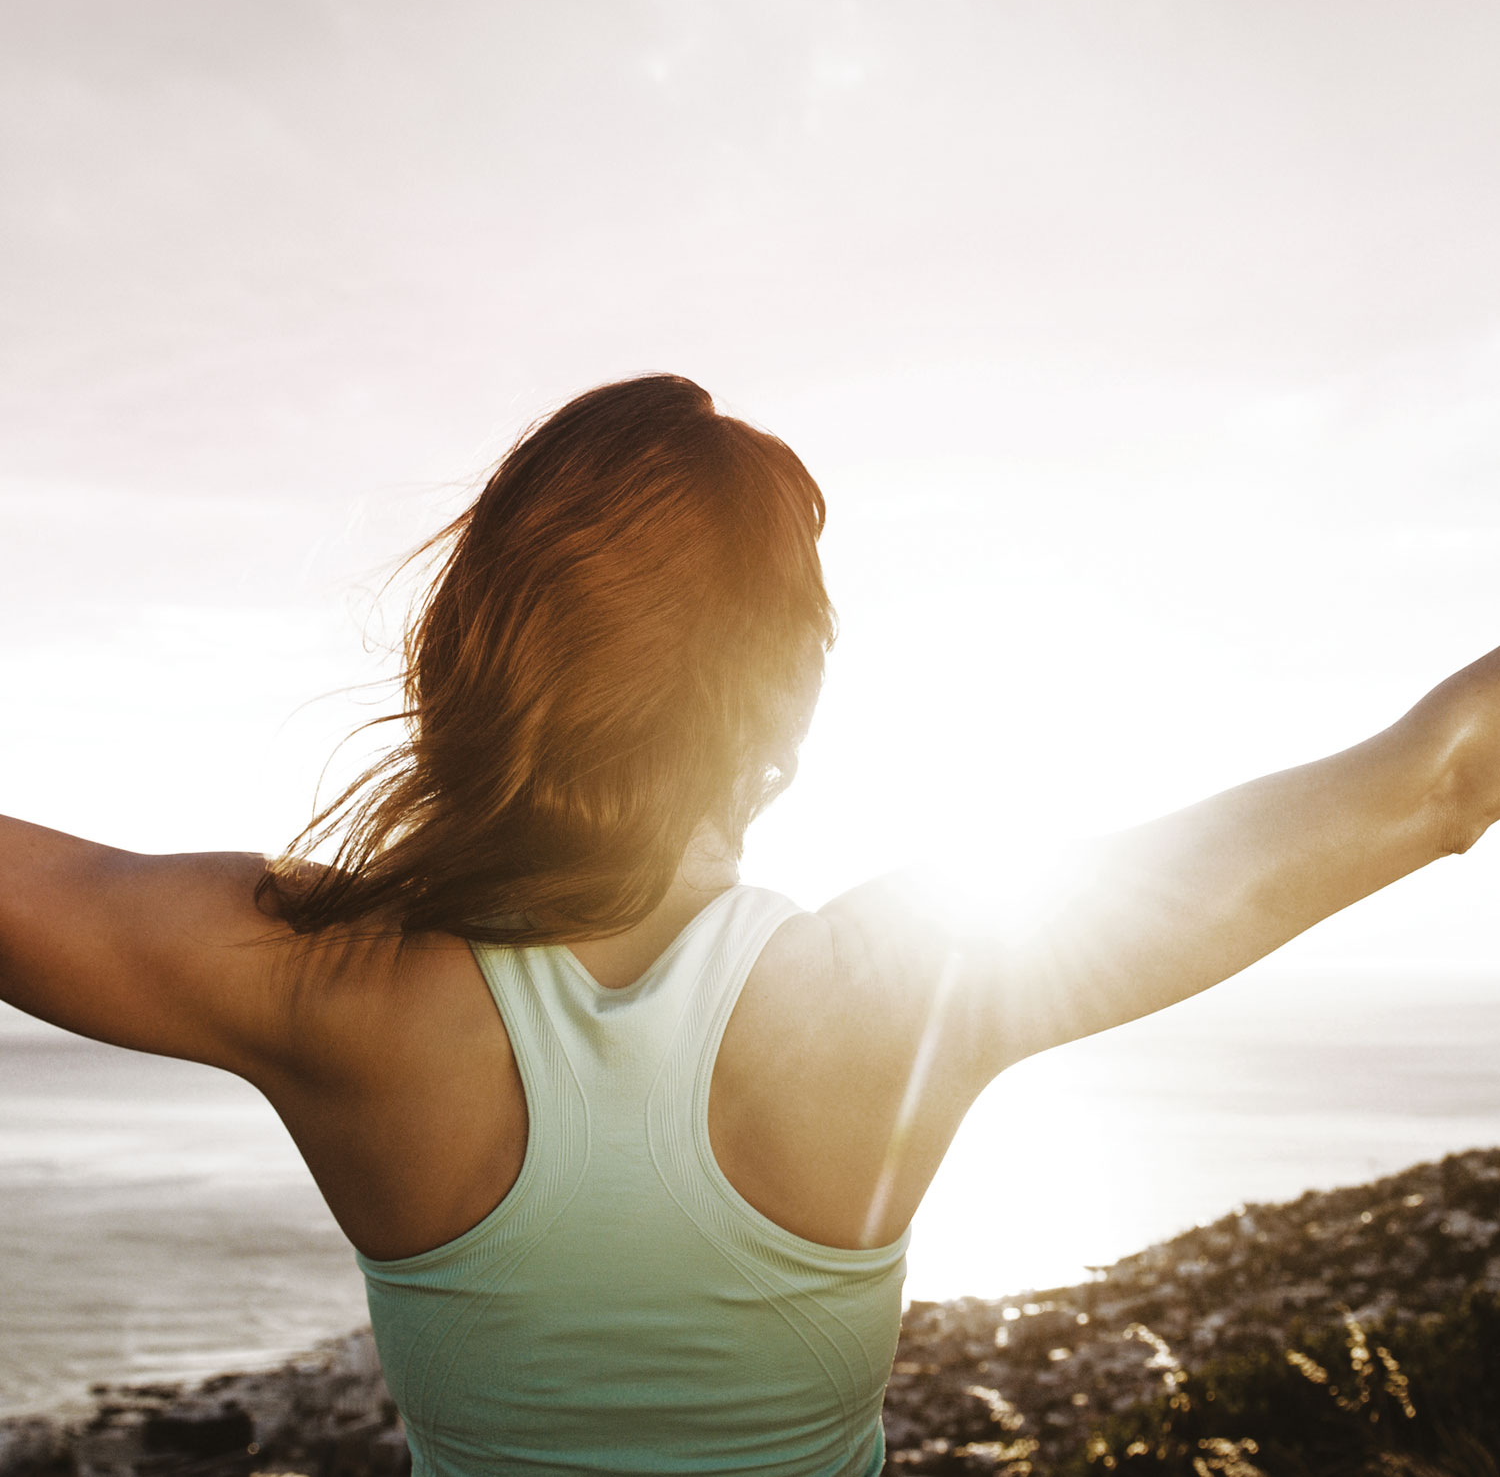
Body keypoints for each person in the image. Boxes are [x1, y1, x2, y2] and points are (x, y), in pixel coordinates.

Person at [1, 372, 1496, 1477]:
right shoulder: (905, 988)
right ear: (786, 689)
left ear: (476, 647)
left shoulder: (330, 985)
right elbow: (1437, 784)